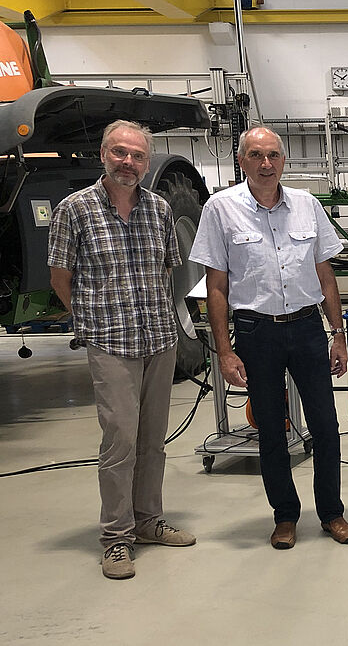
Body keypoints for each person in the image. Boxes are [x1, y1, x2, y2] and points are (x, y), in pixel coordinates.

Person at [189, 126, 348, 550]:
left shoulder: (307, 205)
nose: (266, 164)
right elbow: (216, 287)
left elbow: (326, 276)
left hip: (305, 327)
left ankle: (332, 512)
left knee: (326, 424)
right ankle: (285, 516)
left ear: (284, 161)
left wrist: (338, 335)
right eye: (256, 155)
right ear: (242, 160)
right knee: (270, 428)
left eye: (274, 155)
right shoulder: (220, 209)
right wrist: (224, 351)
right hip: (255, 331)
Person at [48, 120, 196, 580]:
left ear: (146, 162)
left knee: (153, 441)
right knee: (119, 442)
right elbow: (60, 278)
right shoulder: (75, 209)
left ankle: (148, 519)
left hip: (158, 339)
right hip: (112, 343)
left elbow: (171, 270)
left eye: (136, 155)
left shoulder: (157, 209)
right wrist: (90, 320)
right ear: (103, 155)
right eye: (119, 153)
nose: (127, 162)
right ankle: (116, 537)